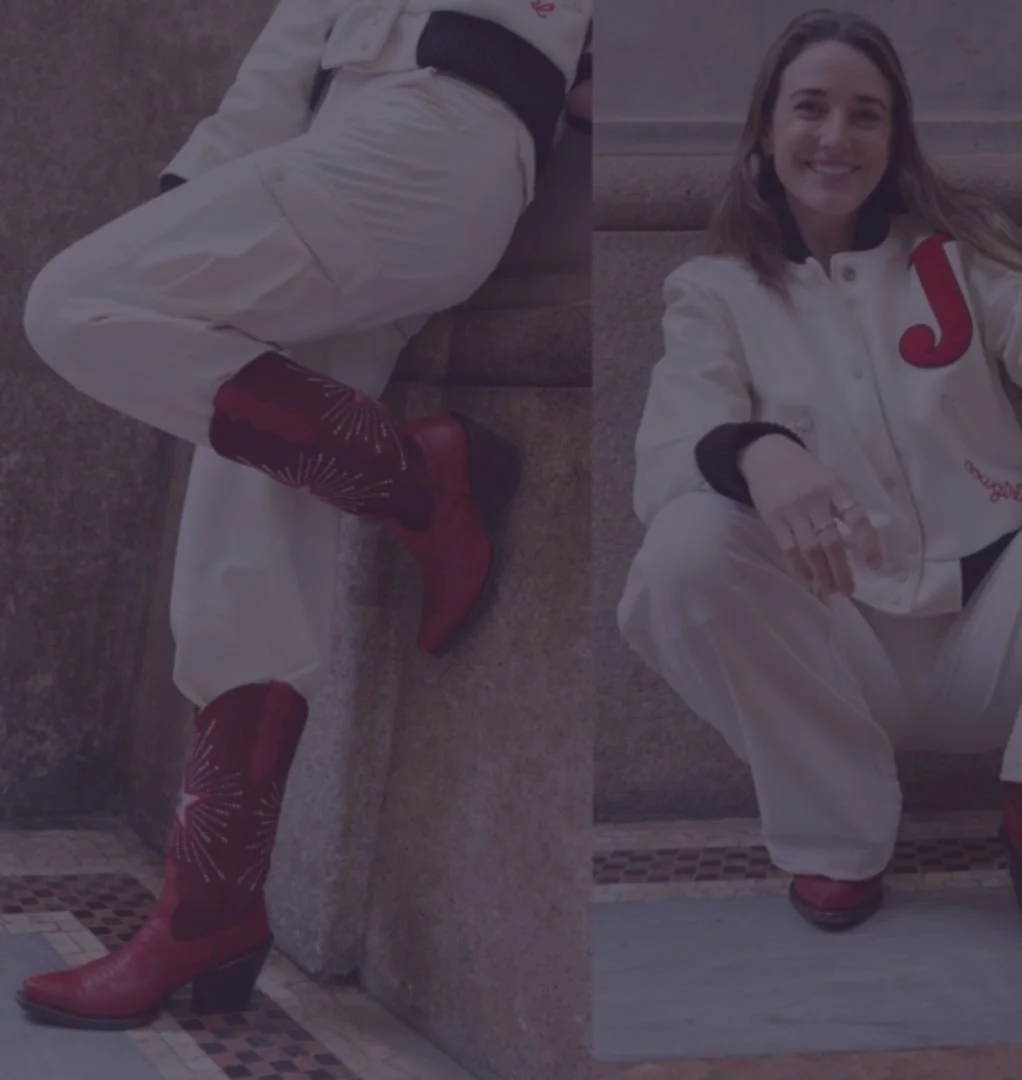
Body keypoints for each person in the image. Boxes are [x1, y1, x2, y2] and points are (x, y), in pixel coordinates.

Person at [615, 8, 1022, 979]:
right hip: (842, 644)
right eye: (812, 109)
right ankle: (839, 833)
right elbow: (668, 451)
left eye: (866, 114)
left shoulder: (948, 255)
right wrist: (759, 452)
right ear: (765, 130)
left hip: (1005, 643)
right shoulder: (715, 291)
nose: (837, 138)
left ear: (894, 136)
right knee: (685, 544)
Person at [16, 0, 593, 1030]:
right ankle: (211, 915)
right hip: (345, 152)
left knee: (73, 304)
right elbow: (280, 65)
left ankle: (420, 479)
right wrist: (188, 212)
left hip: (433, 133)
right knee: (244, 550)